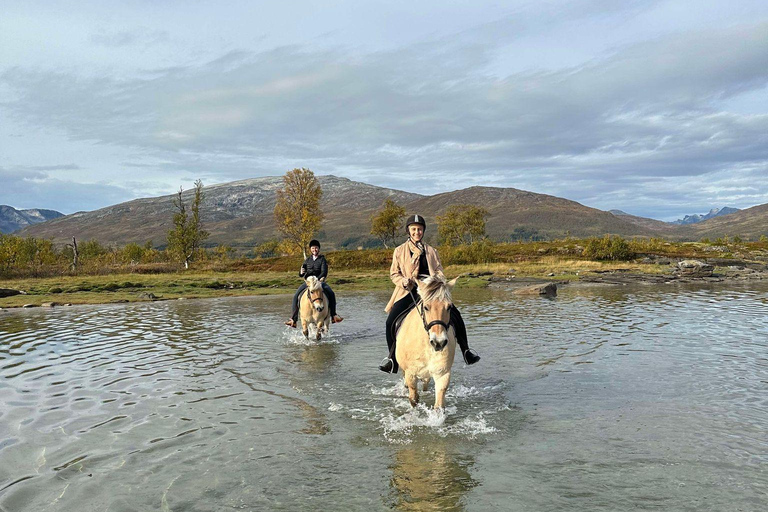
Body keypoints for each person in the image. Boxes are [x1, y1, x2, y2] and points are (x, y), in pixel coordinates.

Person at [379, 214, 480, 373]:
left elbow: (439, 270)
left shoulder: (432, 251)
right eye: (413, 229)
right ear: (408, 231)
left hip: (431, 291)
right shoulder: (399, 251)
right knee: (390, 322)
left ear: (423, 231)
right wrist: (404, 281)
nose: (417, 232)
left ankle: (466, 351)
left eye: (419, 229)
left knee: (456, 315)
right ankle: (392, 359)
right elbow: (394, 274)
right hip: (409, 290)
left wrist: (437, 279)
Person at [285, 239, 343, 327]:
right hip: (309, 282)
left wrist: (317, 280)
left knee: (331, 293)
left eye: (316, 248)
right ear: (310, 249)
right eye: (313, 248)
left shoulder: (322, 259)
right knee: (296, 296)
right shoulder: (308, 260)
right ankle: (294, 319)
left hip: (319, 282)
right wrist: (301, 272)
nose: (314, 250)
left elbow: (324, 272)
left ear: (318, 249)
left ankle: (333, 315)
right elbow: (302, 273)